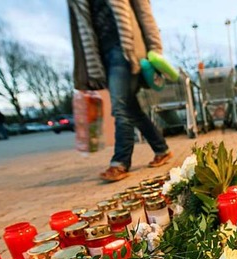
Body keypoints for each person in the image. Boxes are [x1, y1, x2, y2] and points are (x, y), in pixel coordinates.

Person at [68, 0, 172, 182]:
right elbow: (79, 31)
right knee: (131, 108)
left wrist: (155, 49)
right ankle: (162, 149)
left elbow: (144, 14)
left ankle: (120, 162)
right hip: (100, 56)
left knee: (120, 106)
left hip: (126, 49)